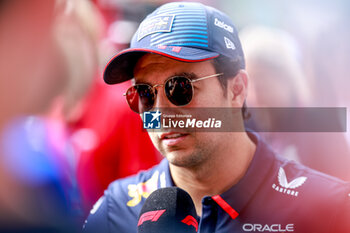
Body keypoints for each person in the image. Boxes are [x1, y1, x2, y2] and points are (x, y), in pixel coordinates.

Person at [84, 2, 350, 233]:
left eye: (180, 88)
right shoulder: (114, 209)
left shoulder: (327, 208)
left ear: (237, 90)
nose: (161, 112)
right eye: (143, 94)